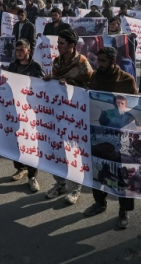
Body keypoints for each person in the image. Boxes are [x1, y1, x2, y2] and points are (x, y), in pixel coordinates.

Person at [84, 47, 139, 228]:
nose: (99, 64)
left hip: (121, 133)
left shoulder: (126, 80)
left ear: (113, 61)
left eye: (103, 61)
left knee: (123, 173)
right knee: (99, 168)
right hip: (99, 133)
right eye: (98, 61)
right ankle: (100, 202)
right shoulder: (95, 77)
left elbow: (135, 107)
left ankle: (123, 211)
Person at [43, 29, 93, 204]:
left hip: (75, 116)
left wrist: (71, 83)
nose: (58, 46)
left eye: (61, 43)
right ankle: (60, 183)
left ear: (72, 46)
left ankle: (76, 188)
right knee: (56, 149)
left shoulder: (82, 63)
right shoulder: (57, 62)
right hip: (57, 114)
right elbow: (56, 83)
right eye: (57, 42)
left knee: (74, 151)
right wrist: (51, 81)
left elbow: (89, 86)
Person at [7, 39, 45, 193]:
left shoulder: (35, 67)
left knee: (30, 144)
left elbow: (43, 87)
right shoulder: (12, 66)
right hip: (15, 110)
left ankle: (32, 176)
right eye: (17, 51)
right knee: (15, 141)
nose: (19, 53)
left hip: (30, 112)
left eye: (22, 50)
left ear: (29, 50)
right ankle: (20, 168)